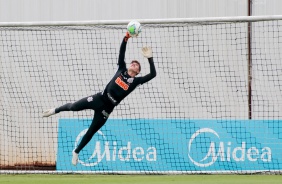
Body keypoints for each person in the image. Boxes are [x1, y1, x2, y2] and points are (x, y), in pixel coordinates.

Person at [42, 32, 157, 166]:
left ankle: (76, 151)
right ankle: (54, 110)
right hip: (99, 99)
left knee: (91, 131)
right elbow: (122, 52)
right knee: (73, 107)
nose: (133, 64)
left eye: (136, 65)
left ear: (137, 72)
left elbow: (153, 74)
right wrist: (126, 38)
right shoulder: (121, 69)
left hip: (107, 109)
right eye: (132, 63)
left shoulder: (136, 81)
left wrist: (150, 58)